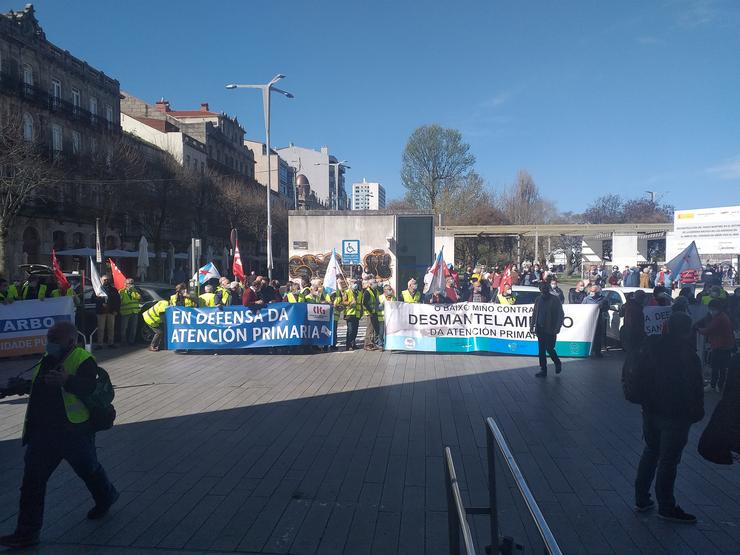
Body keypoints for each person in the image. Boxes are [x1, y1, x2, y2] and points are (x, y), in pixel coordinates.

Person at [0, 322, 119, 549]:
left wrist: (67, 381)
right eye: (49, 338)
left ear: (71, 342)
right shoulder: (48, 357)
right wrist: (12, 388)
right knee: (32, 483)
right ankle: (27, 533)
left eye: (55, 339)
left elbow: (90, 388)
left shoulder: (83, 359)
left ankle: (107, 496)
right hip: (43, 433)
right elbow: (40, 384)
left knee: (89, 470)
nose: (50, 343)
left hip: (74, 432)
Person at [633, 314, 704, 523]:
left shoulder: (652, 346)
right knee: (669, 460)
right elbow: (694, 386)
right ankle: (666, 505)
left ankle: (641, 498)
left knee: (651, 452)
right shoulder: (687, 353)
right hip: (676, 413)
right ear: (686, 330)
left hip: (650, 410)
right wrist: (697, 413)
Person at [696, 299, 735, 393]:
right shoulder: (723, 316)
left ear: (716, 308)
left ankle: (713, 385)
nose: (711, 311)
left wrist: (697, 329)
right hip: (726, 345)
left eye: (711, 309)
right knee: (723, 367)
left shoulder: (719, 318)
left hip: (719, 346)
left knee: (715, 367)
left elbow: (708, 330)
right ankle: (720, 385)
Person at [531, 281, 565, 378]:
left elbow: (560, 315)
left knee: (549, 348)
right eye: (542, 288)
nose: (544, 290)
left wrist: (557, 327)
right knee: (541, 351)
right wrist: (532, 326)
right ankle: (543, 369)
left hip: (551, 328)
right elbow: (534, 313)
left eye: (545, 288)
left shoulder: (555, 299)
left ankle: (557, 362)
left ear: (548, 289)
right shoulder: (538, 299)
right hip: (540, 328)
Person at [582, 284, 608, 357]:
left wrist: (602, 307)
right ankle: (589, 350)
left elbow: (607, 308)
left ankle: (597, 351)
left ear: (598, 292)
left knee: (598, 337)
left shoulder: (603, 299)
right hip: (589, 321)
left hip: (598, 321)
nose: (592, 292)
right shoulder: (586, 299)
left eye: (593, 291)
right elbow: (582, 308)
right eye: (591, 291)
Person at [95, 275, 120, 349]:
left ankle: (111, 343)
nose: (106, 281)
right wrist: (100, 302)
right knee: (101, 329)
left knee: (111, 328)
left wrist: (116, 310)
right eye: (104, 280)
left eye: (107, 279)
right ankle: (100, 344)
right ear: (101, 281)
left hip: (111, 311)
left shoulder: (113, 289)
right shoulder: (98, 289)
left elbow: (117, 301)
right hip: (101, 311)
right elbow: (93, 299)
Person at [118, 278, 141, 346]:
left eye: (132, 283)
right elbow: (119, 300)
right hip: (125, 312)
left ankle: (131, 341)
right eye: (129, 283)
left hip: (134, 312)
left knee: (133, 328)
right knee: (124, 328)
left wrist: (131, 291)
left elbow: (139, 297)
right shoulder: (121, 291)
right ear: (125, 284)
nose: (131, 285)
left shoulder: (135, 291)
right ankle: (123, 341)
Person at [361, 279, 379, 350]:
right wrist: (370, 311)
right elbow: (364, 302)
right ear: (370, 284)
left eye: (376, 282)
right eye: (374, 282)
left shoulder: (376, 291)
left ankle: (372, 343)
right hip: (369, 313)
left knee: (375, 329)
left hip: (375, 312)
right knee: (370, 329)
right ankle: (367, 344)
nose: (376, 284)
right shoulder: (367, 292)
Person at [343, 279, 361, 351]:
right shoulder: (347, 292)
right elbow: (343, 301)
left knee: (355, 330)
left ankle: (353, 343)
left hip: (357, 314)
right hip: (349, 314)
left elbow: (360, 303)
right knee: (350, 330)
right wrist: (350, 303)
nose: (355, 285)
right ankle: (348, 345)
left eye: (356, 283)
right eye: (353, 283)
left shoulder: (359, 293)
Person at [377, 284, 395, 349]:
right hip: (382, 317)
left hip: (390, 318)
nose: (390, 290)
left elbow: (396, 306)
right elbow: (378, 307)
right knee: (381, 332)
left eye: (390, 289)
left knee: (390, 332)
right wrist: (384, 303)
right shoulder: (380, 297)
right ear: (384, 290)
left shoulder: (393, 297)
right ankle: (380, 344)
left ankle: (390, 344)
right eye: (389, 289)